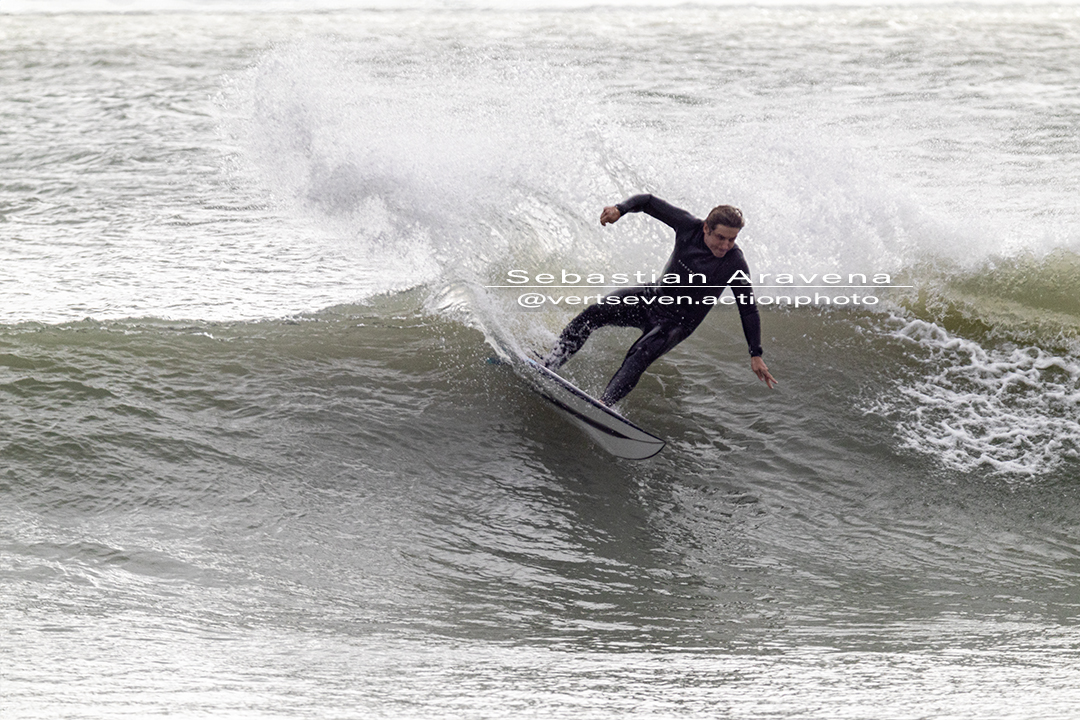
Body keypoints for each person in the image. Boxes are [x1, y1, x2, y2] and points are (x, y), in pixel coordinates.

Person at [541, 193, 777, 405]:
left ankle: (604, 404)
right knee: (594, 313)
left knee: (641, 353)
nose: (726, 245)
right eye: (721, 237)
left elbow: (748, 309)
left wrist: (755, 353)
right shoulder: (688, 226)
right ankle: (548, 365)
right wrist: (619, 209)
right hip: (651, 298)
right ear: (706, 228)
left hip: (677, 323)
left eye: (732, 239)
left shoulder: (734, 263)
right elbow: (648, 202)